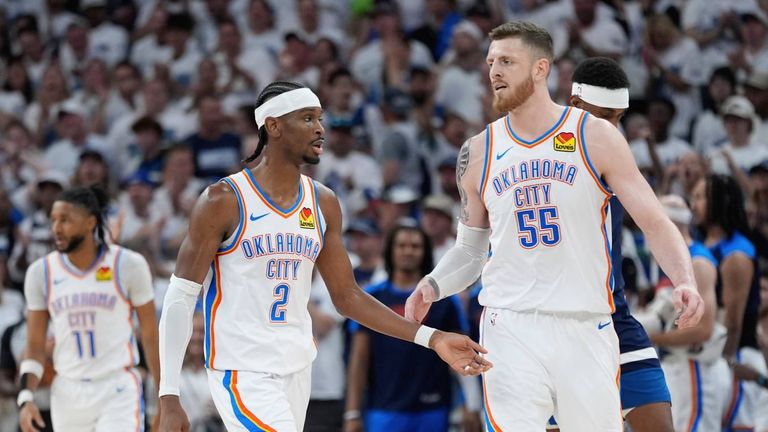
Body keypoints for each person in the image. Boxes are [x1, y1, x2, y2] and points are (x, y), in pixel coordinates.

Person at [405, 21, 703, 431]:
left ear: (541, 68)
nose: (494, 71)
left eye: (507, 61)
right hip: (509, 325)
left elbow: (654, 221)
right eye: (492, 61)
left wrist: (684, 279)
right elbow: (471, 250)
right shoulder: (477, 151)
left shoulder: (595, 136)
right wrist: (433, 284)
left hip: (586, 323)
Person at [157, 81, 491, 432]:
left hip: (298, 366)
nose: (320, 129)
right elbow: (180, 297)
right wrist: (168, 395)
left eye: (320, 118)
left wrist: (433, 338)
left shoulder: (323, 202)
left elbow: (347, 297)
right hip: (241, 370)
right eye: (307, 118)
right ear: (273, 126)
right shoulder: (223, 199)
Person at [560, 57, 674, 432]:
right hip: (558, 330)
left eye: (620, 117)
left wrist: (684, 279)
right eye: (606, 116)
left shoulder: (614, 151)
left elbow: (656, 221)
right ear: (575, 106)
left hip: (615, 318)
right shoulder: (536, 158)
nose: (615, 128)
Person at [18, 186, 160, 432]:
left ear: (90, 222)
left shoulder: (128, 264)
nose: (56, 229)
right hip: (67, 391)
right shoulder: (40, 273)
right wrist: (26, 398)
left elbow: (150, 336)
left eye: (65, 220)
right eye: (53, 220)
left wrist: (164, 394)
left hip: (117, 386)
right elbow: (35, 347)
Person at [344, 223, 481, 432]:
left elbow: (463, 353)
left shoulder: (444, 300)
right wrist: (352, 412)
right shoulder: (372, 297)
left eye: (415, 246)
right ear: (390, 250)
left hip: (433, 406)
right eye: (401, 245)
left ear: (425, 251)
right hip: (383, 407)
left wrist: (471, 405)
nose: (408, 251)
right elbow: (359, 359)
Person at [648, 195, 727, 432]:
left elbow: (703, 329)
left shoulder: (699, 262)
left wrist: (649, 338)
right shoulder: (667, 260)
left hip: (696, 365)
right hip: (675, 363)